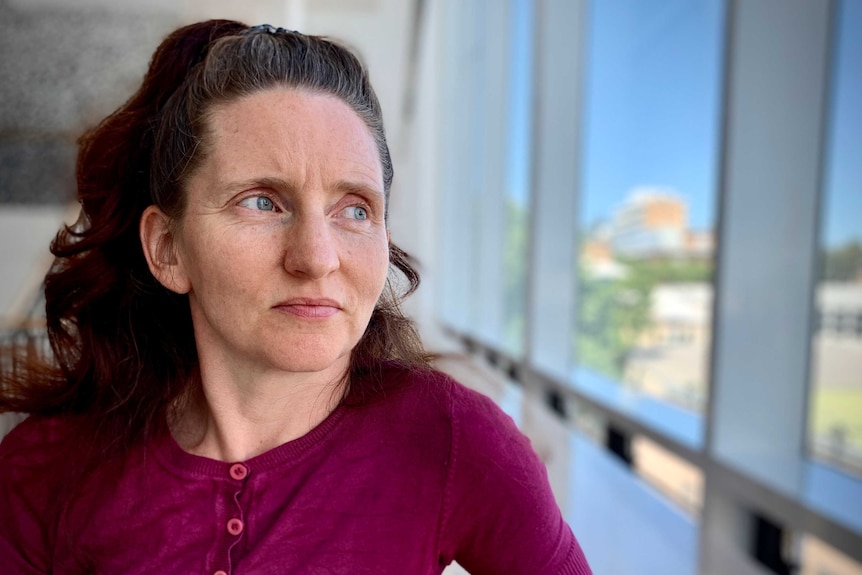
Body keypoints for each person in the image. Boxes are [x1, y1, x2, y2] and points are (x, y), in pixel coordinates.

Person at [0, 20, 592, 574]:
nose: (316, 257)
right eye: (262, 201)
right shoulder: (43, 470)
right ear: (168, 248)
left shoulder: (454, 438)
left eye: (354, 209)